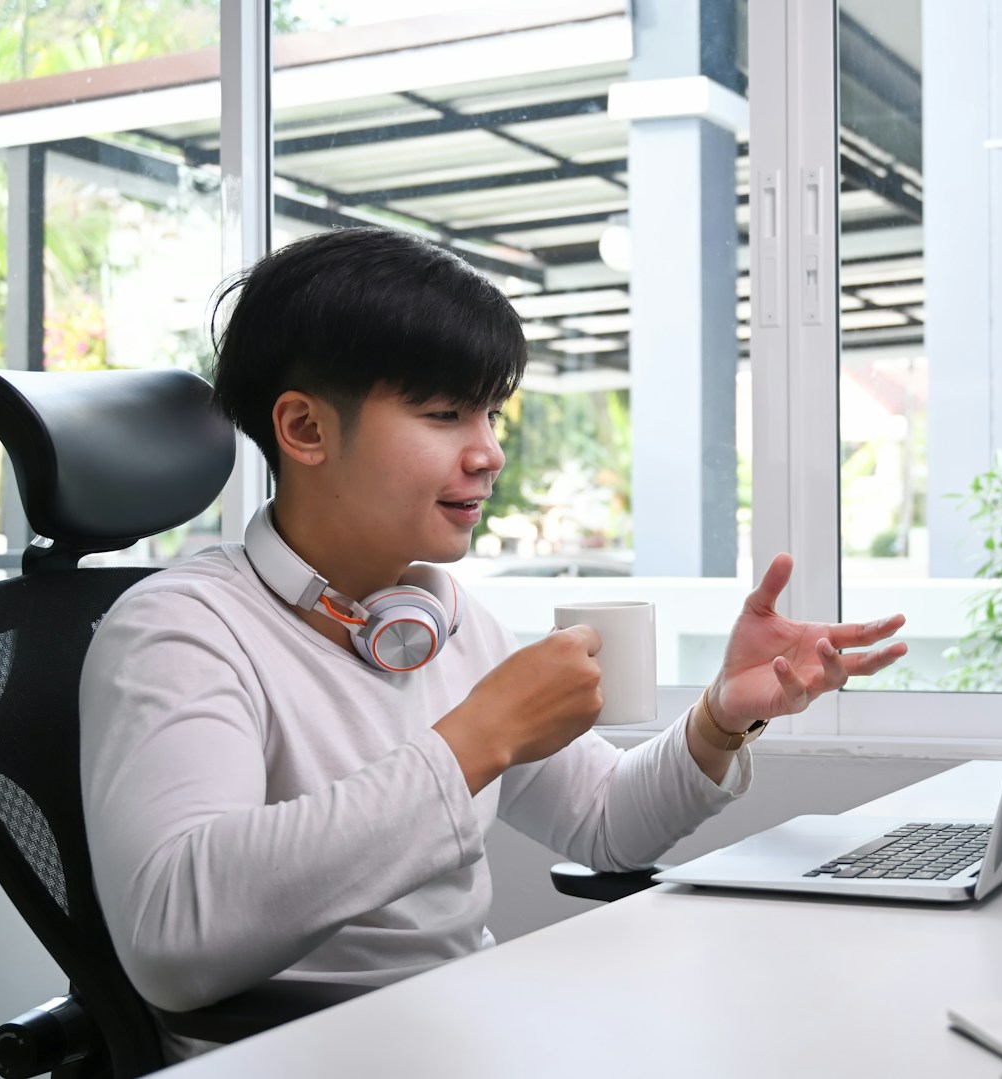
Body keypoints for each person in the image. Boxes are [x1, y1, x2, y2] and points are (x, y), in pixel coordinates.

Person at [78, 227, 907, 1060]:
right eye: (444, 415)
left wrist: (722, 717)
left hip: (461, 1028)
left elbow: (605, 822)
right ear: (304, 428)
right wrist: (477, 738)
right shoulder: (180, 630)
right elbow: (173, 939)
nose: (489, 451)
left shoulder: (443, 616)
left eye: (490, 413)